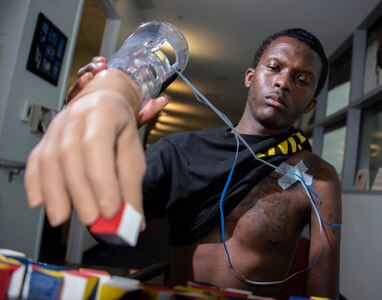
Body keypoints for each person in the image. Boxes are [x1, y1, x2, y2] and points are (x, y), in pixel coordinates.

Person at [24, 28, 341, 299]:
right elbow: (108, 230)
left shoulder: (318, 177)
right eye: (274, 68)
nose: (283, 82)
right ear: (250, 76)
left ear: (311, 103)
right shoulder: (180, 150)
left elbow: (322, 289)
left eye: (301, 79)